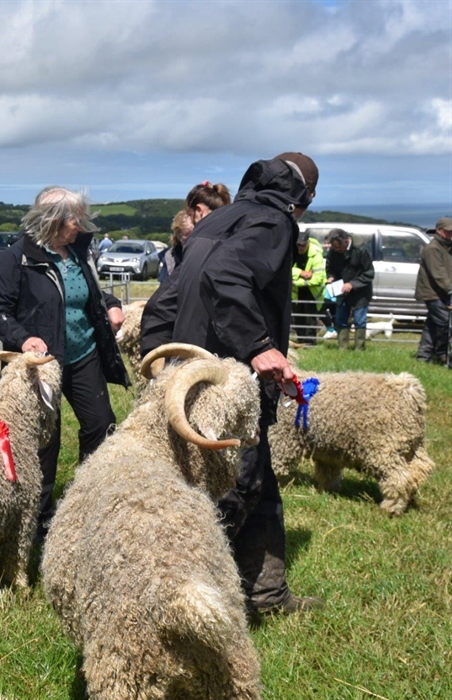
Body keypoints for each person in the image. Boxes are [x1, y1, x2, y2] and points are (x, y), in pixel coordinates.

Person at [140, 152, 324, 617]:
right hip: (231, 382)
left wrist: (161, 364)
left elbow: (165, 299)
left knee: (254, 480)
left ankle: (266, 593)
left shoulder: (217, 221)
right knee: (232, 489)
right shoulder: (275, 222)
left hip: (191, 376)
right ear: (304, 196)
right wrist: (259, 344)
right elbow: (226, 274)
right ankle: (190, 598)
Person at [0, 186, 130, 540]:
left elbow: (87, 292)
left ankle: (87, 499)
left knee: (102, 424)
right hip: (41, 364)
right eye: (73, 218)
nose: (80, 224)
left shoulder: (79, 252)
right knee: (44, 440)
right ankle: (38, 518)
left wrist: (111, 304)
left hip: (83, 354)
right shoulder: (16, 259)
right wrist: (24, 339)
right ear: (50, 220)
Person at [325, 228, 375, 351]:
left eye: (338, 248)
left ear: (346, 241)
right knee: (340, 319)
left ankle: (359, 349)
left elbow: (369, 273)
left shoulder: (361, 249)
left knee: (360, 321)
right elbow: (330, 268)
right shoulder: (333, 251)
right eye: (334, 248)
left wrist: (352, 284)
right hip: (341, 290)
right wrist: (331, 277)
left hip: (361, 291)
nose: (337, 250)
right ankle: (342, 349)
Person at [414, 217, 452, 364]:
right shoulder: (433, 248)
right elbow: (439, 274)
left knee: (433, 324)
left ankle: (423, 356)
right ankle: (441, 353)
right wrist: (450, 289)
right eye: (448, 231)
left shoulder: (447, 247)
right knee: (445, 322)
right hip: (432, 293)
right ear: (439, 230)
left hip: (441, 292)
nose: (450, 234)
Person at [291, 230, 326, 344]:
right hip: (296, 292)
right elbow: (286, 270)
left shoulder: (316, 254)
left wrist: (296, 282)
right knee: (298, 315)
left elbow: (317, 279)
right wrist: (301, 273)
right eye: (298, 245)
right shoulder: (292, 251)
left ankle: (310, 342)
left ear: (308, 243)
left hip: (312, 292)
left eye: (303, 245)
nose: (300, 248)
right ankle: (301, 340)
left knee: (310, 316)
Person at [157, 210, 193, 284]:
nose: (192, 238)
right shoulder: (170, 257)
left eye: (196, 232)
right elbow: (165, 287)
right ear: (178, 234)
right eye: (188, 233)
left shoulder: (208, 255)